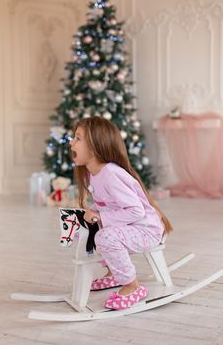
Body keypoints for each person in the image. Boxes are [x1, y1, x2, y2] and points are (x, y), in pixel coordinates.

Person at [70, 116, 173, 310]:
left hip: (145, 229)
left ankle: (132, 286)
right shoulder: (94, 173)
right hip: (130, 226)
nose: (71, 142)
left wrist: (101, 217)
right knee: (87, 231)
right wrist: (94, 212)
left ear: (94, 146)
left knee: (105, 237)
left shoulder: (111, 174)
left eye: (78, 138)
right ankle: (113, 273)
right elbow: (108, 203)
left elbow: (136, 211)